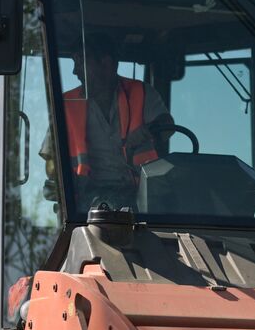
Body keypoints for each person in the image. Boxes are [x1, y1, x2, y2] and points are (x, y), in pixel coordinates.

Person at [43, 34, 173, 210]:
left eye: (81, 62)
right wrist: (58, 176)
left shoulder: (140, 92)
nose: (74, 71)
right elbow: (51, 161)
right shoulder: (66, 104)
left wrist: (147, 132)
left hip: (140, 194)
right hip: (86, 201)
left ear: (106, 63)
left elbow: (167, 126)